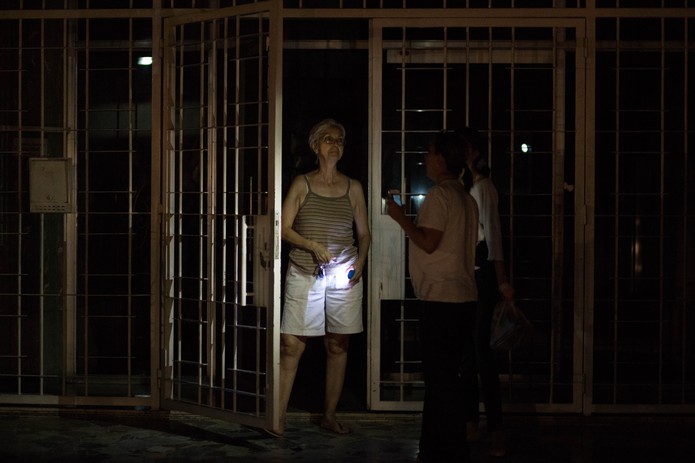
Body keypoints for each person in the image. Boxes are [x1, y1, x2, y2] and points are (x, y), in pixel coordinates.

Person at [385, 131, 479, 463]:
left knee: (440, 380)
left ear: (441, 158)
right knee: (447, 376)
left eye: (429, 152)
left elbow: (428, 242)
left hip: (441, 299)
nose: (426, 158)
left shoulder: (441, 196)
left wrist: (399, 218)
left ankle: (443, 447)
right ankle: (445, 444)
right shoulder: (466, 198)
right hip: (463, 296)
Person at [277, 118, 371, 436]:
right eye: (329, 139)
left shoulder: (353, 186)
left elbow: (365, 234)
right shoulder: (302, 183)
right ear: (316, 146)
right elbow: (284, 228)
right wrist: (311, 244)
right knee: (292, 344)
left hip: (342, 275)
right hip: (305, 272)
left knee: (338, 345)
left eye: (340, 140)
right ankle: (276, 416)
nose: (335, 145)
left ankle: (329, 415)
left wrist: (361, 261)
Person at [458, 127, 515, 458]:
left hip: (483, 278)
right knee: (470, 353)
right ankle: (472, 423)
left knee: (481, 354)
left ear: (474, 154)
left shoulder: (483, 189)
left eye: (465, 149)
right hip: (470, 275)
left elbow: (493, 239)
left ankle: (493, 430)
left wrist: (502, 281)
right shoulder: (470, 189)